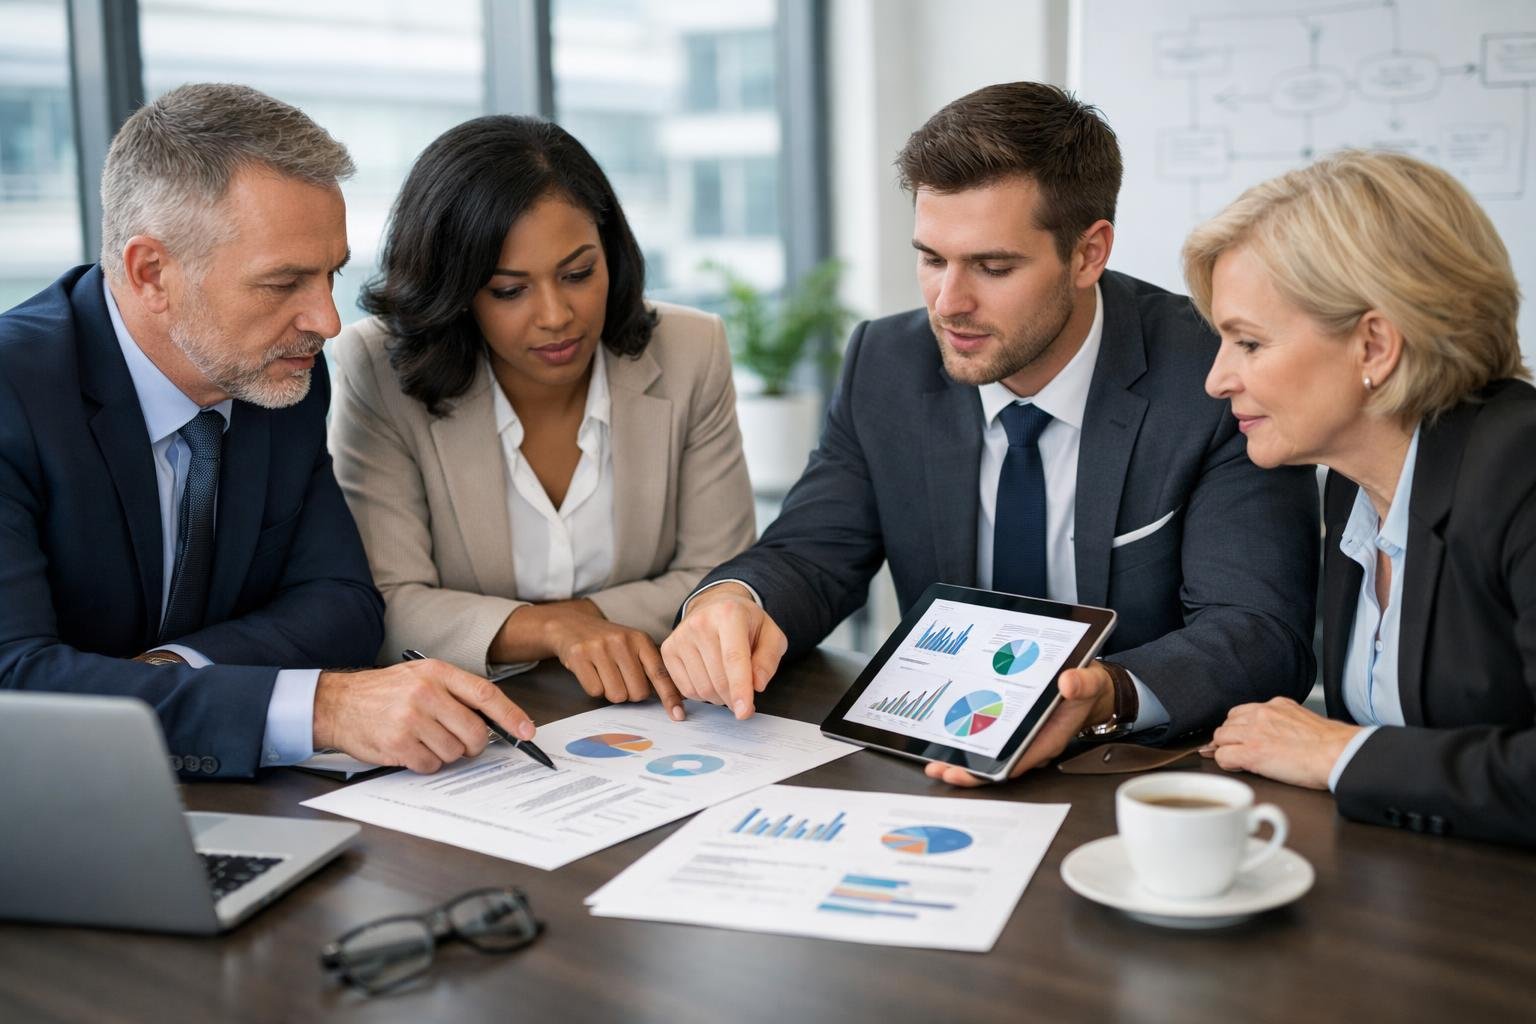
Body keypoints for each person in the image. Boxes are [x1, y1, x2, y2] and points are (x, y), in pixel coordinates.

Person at [662, 82, 1320, 784]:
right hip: (935, 762)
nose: (950, 304)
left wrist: (1109, 694)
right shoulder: (885, 363)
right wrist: (733, 600)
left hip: (1137, 774)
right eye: (932, 258)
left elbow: (1258, 632)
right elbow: (813, 553)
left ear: (1089, 253)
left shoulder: (1212, 374)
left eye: (993, 266)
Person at [0, 84, 538, 779]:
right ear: (151, 273)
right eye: (283, 283)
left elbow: (341, 605)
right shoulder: (15, 393)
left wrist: (169, 672)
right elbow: (17, 685)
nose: (327, 321)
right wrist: (323, 709)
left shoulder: (275, 376)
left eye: (332, 276)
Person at [328, 115, 755, 718]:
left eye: (579, 274)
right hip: (477, 720)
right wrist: (553, 630)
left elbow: (720, 577)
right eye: (509, 290)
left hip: (659, 711)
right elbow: (386, 603)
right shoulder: (378, 367)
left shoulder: (692, 351)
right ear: (454, 291)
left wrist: (586, 624)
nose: (556, 315)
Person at [1190, 150, 1535, 846]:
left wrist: (1334, 751)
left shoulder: (1521, 467)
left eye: (1248, 343)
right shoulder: (1353, 481)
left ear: (1374, 345)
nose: (1217, 379)